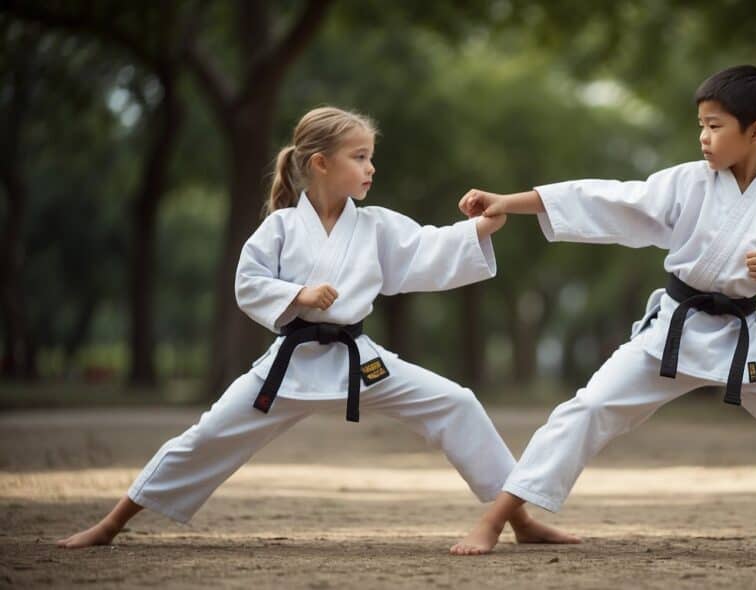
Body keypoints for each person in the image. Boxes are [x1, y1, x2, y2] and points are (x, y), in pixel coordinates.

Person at [57, 106, 576, 550]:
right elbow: (248, 281)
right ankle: (111, 523)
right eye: (360, 157)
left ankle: (520, 520)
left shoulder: (374, 225)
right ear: (320, 163)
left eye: (371, 156)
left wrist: (483, 227)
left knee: (456, 402)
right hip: (291, 366)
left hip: (360, 361)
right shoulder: (281, 226)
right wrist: (296, 295)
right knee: (208, 435)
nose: (371, 167)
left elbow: (429, 248)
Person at [450, 66, 756, 557]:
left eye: (715, 126)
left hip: (740, 339)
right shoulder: (688, 183)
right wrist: (508, 202)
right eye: (701, 126)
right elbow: (605, 198)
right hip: (673, 330)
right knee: (587, 409)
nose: (704, 138)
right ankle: (498, 519)